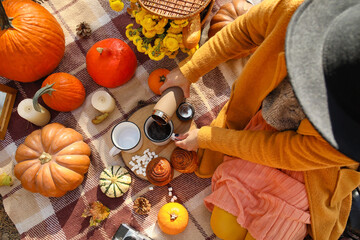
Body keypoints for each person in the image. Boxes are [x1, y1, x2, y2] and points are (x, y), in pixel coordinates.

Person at [159, 0, 360, 239]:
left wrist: (208, 138)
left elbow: (282, 151)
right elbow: (244, 30)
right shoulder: (297, 13)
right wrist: (189, 71)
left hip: (309, 169)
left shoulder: (350, 139)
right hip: (259, 125)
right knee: (224, 229)